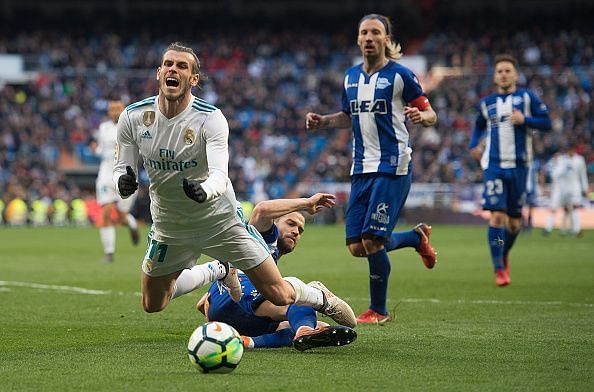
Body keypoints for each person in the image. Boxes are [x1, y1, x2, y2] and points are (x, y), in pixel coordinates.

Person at [113, 42, 356, 328]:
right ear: (158, 73)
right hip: (170, 224)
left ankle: (318, 296)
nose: (173, 70)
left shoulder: (210, 118)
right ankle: (219, 268)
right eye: (168, 64)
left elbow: (219, 174)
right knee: (153, 304)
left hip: (220, 221)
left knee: (277, 293)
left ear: (193, 79)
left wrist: (204, 191)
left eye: (181, 66)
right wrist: (123, 183)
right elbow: (122, 170)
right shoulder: (133, 117)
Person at [305, 14, 438, 324]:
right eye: (363, 32)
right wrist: (323, 121)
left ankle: (378, 311)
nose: (368, 37)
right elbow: (347, 116)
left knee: (373, 241)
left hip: (393, 165)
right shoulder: (350, 77)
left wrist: (422, 118)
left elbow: (429, 112)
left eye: (375, 32)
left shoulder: (401, 75)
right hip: (361, 167)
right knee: (356, 246)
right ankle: (416, 238)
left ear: (386, 40)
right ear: (358, 39)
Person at [197, 193, 357, 351]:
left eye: (300, 230)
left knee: (317, 325)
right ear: (275, 222)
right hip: (237, 294)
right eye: (291, 223)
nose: (296, 232)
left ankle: (247, 341)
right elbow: (262, 210)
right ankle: (311, 311)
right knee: (297, 302)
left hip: (229, 318)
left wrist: (210, 307)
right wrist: (306, 203)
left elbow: (201, 303)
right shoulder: (263, 238)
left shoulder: (266, 263)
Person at [469, 54, 551, 286]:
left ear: (515, 74)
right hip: (493, 165)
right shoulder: (487, 103)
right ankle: (499, 270)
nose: (504, 74)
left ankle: (503, 253)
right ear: (495, 77)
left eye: (508, 70)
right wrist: (473, 145)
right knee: (496, 216)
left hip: (520, 167)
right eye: (500, 71)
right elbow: (477, 126)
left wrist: (525, 120)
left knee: (514, 224)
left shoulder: (528, 97)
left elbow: (547, 123)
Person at [91, 97, 140, 262]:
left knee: (120, 216)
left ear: (124, 108)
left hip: (126, 175)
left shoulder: (133, 126)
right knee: (105, 211)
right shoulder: (103, 128)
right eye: (112, 109)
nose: (115, 112)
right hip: (106, 173)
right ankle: (109, 253)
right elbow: (101, 151)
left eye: (118, 108)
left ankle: (132, 226)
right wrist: (95, 150)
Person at [543, 143, 589, 236]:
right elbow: (554, 174)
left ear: (574, 149)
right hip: (561, 188)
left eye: (572, 149)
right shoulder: (561, 159)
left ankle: (576, 229)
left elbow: (583, 175)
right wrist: (561, 168)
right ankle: (548, 228)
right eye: (569, 150)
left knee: (574, 208)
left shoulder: (579, 160)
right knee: (554, 207)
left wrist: (585, 188)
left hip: (574, 188)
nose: (570, 152)